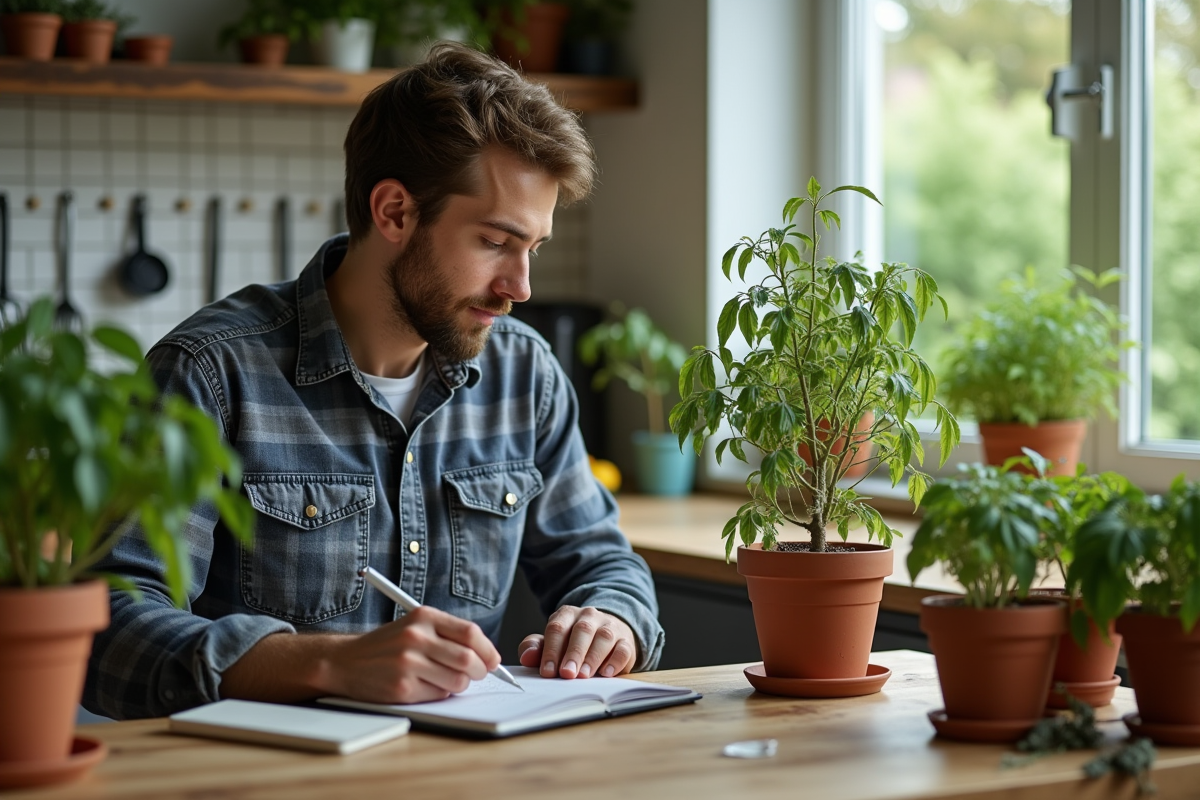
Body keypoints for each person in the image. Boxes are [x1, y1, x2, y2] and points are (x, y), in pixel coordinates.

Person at [83, 43, 663, 720]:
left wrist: (610, 620)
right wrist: (325, 663)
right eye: (494, 242)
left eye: (533, 249)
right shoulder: (211, 372)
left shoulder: (524, 375)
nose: (521, 288)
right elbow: (109, 628)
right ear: (393, 212)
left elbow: (603, 564)